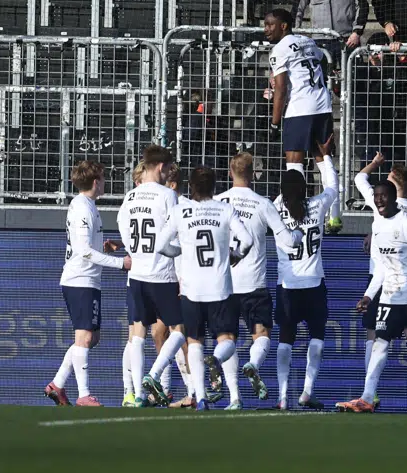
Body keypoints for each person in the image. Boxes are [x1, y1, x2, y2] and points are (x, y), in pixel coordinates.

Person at [337, 180, 407, 415]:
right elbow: (380, 268)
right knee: (379, 345)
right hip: (389, 297)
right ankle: (367, 397)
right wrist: (368, 296)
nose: (378, 200)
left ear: (392, 198)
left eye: (383, 196)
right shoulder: (377, 226)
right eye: (376, 196)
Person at [159, 167, 255, 410]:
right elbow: (247, 239)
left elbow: (161, 245)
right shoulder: (225, 209)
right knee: (228, 339)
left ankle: (200, 398)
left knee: (194, 341)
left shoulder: (180, 211)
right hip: (220, 287)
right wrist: (235, 255)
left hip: (191, 289)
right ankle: (220, 366)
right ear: (214, 186)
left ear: (191, 186)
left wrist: (178, 251)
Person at [352, 152, 407, 413]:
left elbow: (359, 179)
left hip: (382, 278)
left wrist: (374, 163)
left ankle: (370, 393)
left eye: (387, 179)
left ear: (392, 186)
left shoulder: (381, 202)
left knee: (374, 336)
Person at [216, 151, 303, 403]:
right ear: (254, 174)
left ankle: (234, 398)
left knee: (227, 338)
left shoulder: (217, 201)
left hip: (224, 284)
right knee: (262, 335)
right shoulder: (262, 203)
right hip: (254, 284)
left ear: (230, 172)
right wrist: (297, 233)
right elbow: (287, 242)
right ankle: (253, 363)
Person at [45, 161, 132, 408]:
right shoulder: (82, 207)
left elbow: (88, 246)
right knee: (84, 337)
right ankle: (84, 394)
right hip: (79, 279)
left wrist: (108, 245)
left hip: (89, 280)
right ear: (96, 182)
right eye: (103, 179)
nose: (105, 183)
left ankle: (57, 384)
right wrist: (120, 263)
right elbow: (83, 251)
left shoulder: (89, 206)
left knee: (92, 338)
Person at [119, 145, 189, 407]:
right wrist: (178, 252)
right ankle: (154, 374)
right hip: (162, 274)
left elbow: (124, 231)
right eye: (168, 168)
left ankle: (137, 394)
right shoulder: (166, 196)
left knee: (138, 334)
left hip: (137, 274)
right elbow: (174, 234)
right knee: (179, 331)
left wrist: (135, 253)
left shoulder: (131, 196)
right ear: (161, 167)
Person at [264, 8, 342, 228]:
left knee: (294, 164)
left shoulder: (279, 50)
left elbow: (280, 90)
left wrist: (275, 122)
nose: (266, 30)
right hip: (322, 106)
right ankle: (334, 217)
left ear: (284, 25)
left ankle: (295, 217)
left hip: (299, 109)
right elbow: (321, 63)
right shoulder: (309, 42)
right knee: (325, 160)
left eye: (270, 24)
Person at [272, 156, 339, 410]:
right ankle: (307, 391)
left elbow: (283, 195)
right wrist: (324, 159)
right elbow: (333, 186)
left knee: (285, 338)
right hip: (314, 283)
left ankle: (282, 396)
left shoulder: (276, 208)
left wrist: (293, 158)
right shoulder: (318, 204)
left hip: (288, 284)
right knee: (317, 336)